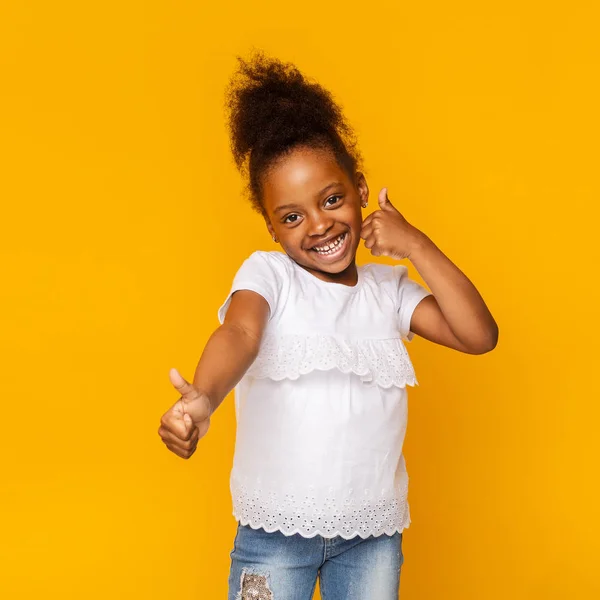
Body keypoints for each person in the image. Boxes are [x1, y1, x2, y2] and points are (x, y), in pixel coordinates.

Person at [157, 52, 498, 600]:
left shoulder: (388, 293)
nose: (318, 225)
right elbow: (239, 335)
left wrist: (414, 244)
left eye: (332, 200)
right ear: (272, 227)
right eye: (292, 216)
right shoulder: (268, 276)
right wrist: (203, 398)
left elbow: (478, 335)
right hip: (273, 537)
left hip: (371, 538)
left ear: (361, 192)